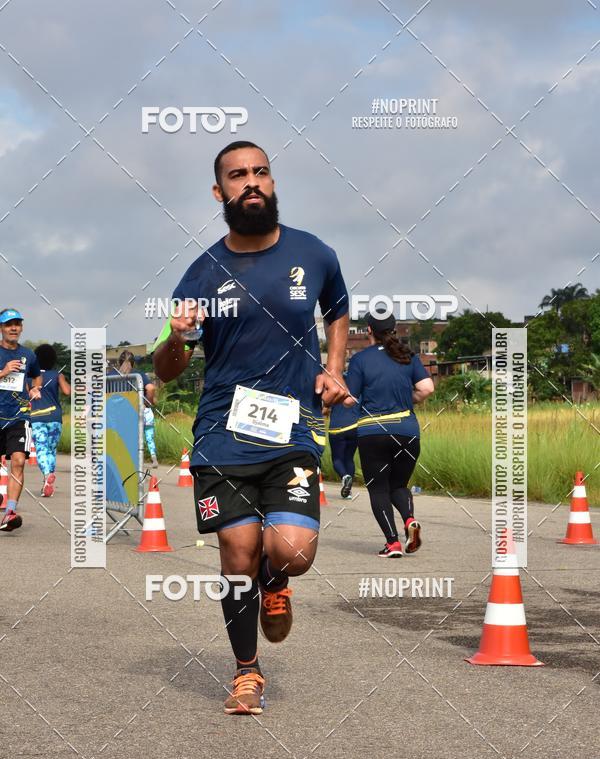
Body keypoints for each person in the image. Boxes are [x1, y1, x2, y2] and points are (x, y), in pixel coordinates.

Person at [154, 140, 349, 715]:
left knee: (291, 552)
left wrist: (334, 368)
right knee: (236, 554)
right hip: (222, 431)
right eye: (238, 175)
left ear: (273, 182)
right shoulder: (201, 273)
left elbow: (338, 310)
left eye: (260, 171)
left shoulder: (313, 253)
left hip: (292, 429)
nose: (252, 182)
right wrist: (177, 336)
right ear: (220, 192)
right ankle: (246, 672)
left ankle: (276, 580)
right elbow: (166, 369)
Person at [345, 311, 434, 557]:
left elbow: (350, 399)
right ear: (394, 329)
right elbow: (427, 388)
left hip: (373, 433)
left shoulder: (360, 359)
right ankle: (409, 520)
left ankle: (392, 543)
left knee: (378, 489)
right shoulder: (408, 355)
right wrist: (406, 398)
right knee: (399, 485)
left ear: (368, 330)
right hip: (407, 431)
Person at [0, 308, 42, 531]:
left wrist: (35, 388)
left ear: (22, 327)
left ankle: (10, 512)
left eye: (17, 324)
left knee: (18, 461)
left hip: (19, 416)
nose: (13, 328)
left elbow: (37, 376)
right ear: (1, 329)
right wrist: (4, 371)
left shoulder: (29, 355)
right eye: (9, 325)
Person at [29, 344, 71, 496]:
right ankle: (48, 484)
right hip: (55, 417)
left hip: (37, 417)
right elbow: (67, 391)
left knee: (41, 449)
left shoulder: (30, 377)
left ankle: (47, 476)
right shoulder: (57, 375)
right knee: (51, 451)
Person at [115, 350, 158, 468]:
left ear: (119, 362)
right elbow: (151, 388)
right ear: (133, 363)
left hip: (116, 412)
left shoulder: (110, 375)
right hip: (138, 411)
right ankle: (141, 460)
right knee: (144, 437)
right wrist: (147, 403)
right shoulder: (138, 374)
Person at [325, 386, 359, 498]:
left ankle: (345, 477)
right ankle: (348, 491)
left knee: (337, 459)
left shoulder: (334, 385)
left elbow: (325, 407)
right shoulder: (358, 385)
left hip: (337, 427)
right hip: (354, 426)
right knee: (349, 458)